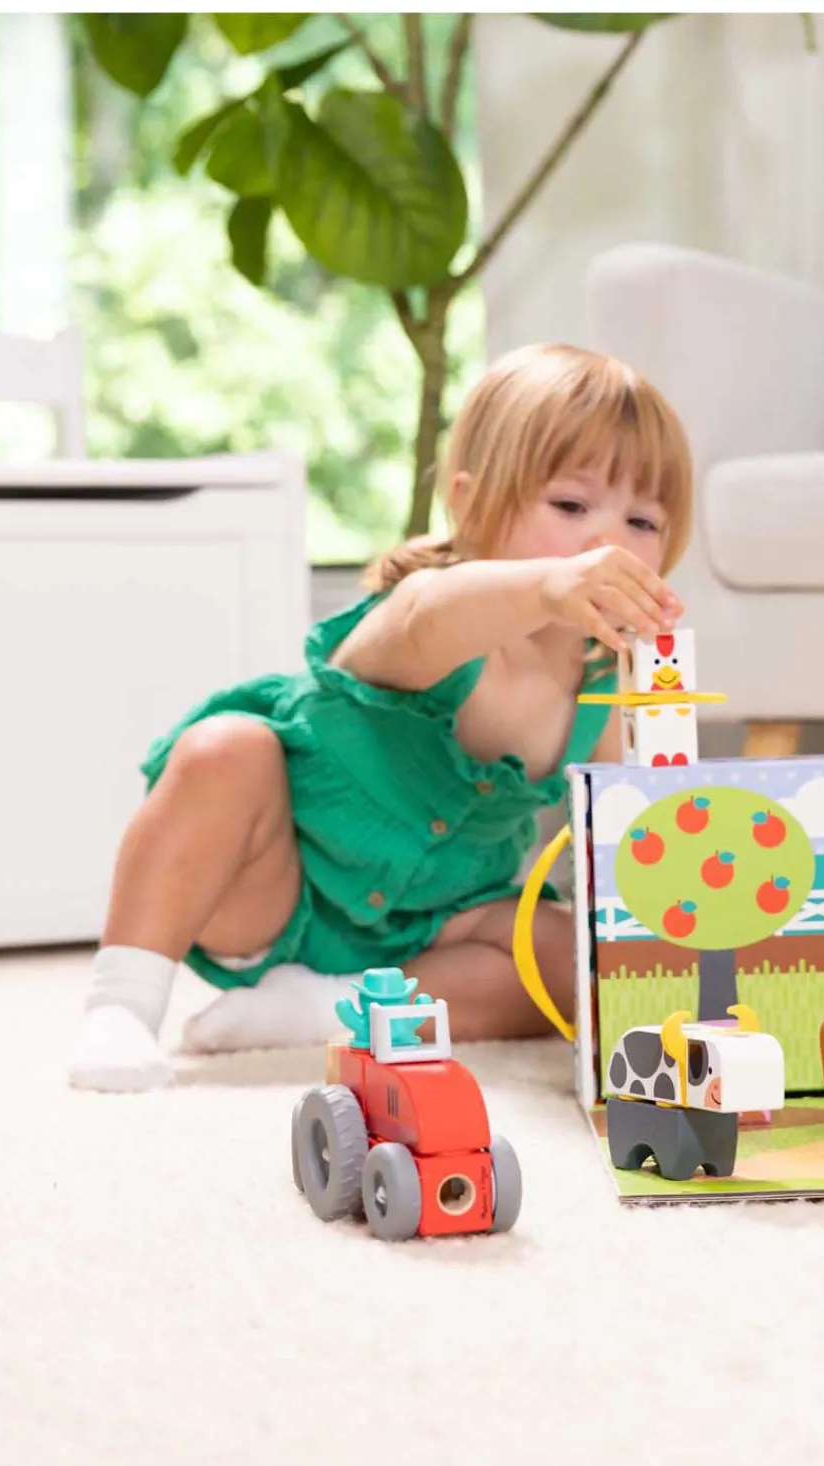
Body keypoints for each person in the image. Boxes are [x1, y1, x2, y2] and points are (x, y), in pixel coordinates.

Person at [68, 343, 692, 1091]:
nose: (608, 542)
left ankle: (332, 1009)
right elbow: (433, 618)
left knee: (580, 961)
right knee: (224, 750)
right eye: (570, 506)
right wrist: (545, 587)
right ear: (470, 503)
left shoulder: (604, 680)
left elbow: (632, 832)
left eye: (642, 521)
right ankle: (122, 1008)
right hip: (277, 886)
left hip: (440, 927)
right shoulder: (430, 607)